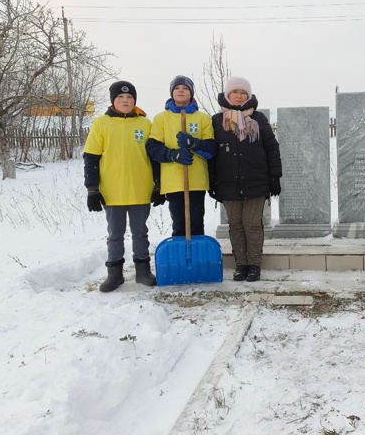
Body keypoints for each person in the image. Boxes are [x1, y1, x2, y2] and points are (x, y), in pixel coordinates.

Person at [83, 80, 164, 292]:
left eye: (129, 98)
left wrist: (158, 185)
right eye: (121, 97)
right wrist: (92, 189)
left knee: (140, 232)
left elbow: (155, 158)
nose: (125, 101)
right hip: (112, 191)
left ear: (134, 101)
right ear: (113, 101)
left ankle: (143, 271)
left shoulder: (145, 124)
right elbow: (91, 157)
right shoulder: (101, 123)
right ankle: (115, 274)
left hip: (140, 189)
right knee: (115, 234)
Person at [208, 77, 282, 283]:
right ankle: (241, 264)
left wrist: (275, 176)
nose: (239, 96)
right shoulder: (216, 121)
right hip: (228, 184)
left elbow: (271, 148)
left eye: (243, 93)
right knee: (235, 226)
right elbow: (212, 154)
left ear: (248, 96)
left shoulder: (259, 119)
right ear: (227, 95)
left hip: (256, 183)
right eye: (235, 92)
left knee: (252, 225)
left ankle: (254, 265)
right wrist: (212, 181)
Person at [146, 76, 216, 238]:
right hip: (173, 182)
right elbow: (153, 148)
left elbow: (211, 150)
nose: (181, 91)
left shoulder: (202, 118)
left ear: (191, 93)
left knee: (197, 224)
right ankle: (180, 256)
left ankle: (197, 257)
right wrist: (173, 154)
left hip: (196, 181)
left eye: (185, 88)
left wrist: (194, 144)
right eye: (177, 88)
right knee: (179, 224)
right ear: (172, 92)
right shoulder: (161, 119)